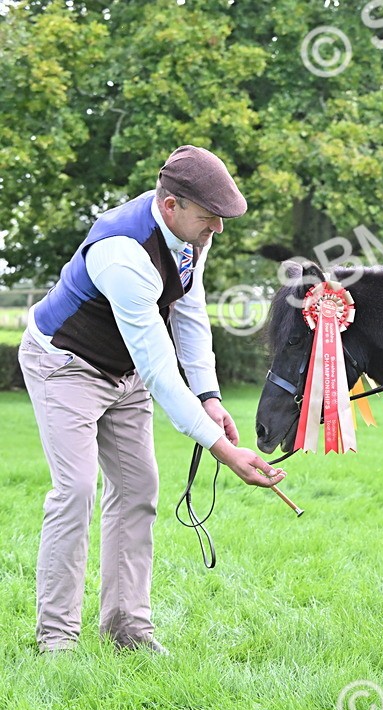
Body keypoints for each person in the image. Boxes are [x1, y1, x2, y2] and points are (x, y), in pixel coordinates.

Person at [19, 145, 286, 655]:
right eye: (210, 219)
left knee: (140, 488)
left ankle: (128, 630)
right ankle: (57, 640)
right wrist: (223, 451)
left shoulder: (191, 232)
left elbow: (189, 310)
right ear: (171, 206)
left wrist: (208, 395)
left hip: (125, 374)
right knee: (75, 492)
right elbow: (161, 373)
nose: (218, 230)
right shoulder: (123, 253)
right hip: (65, 366)